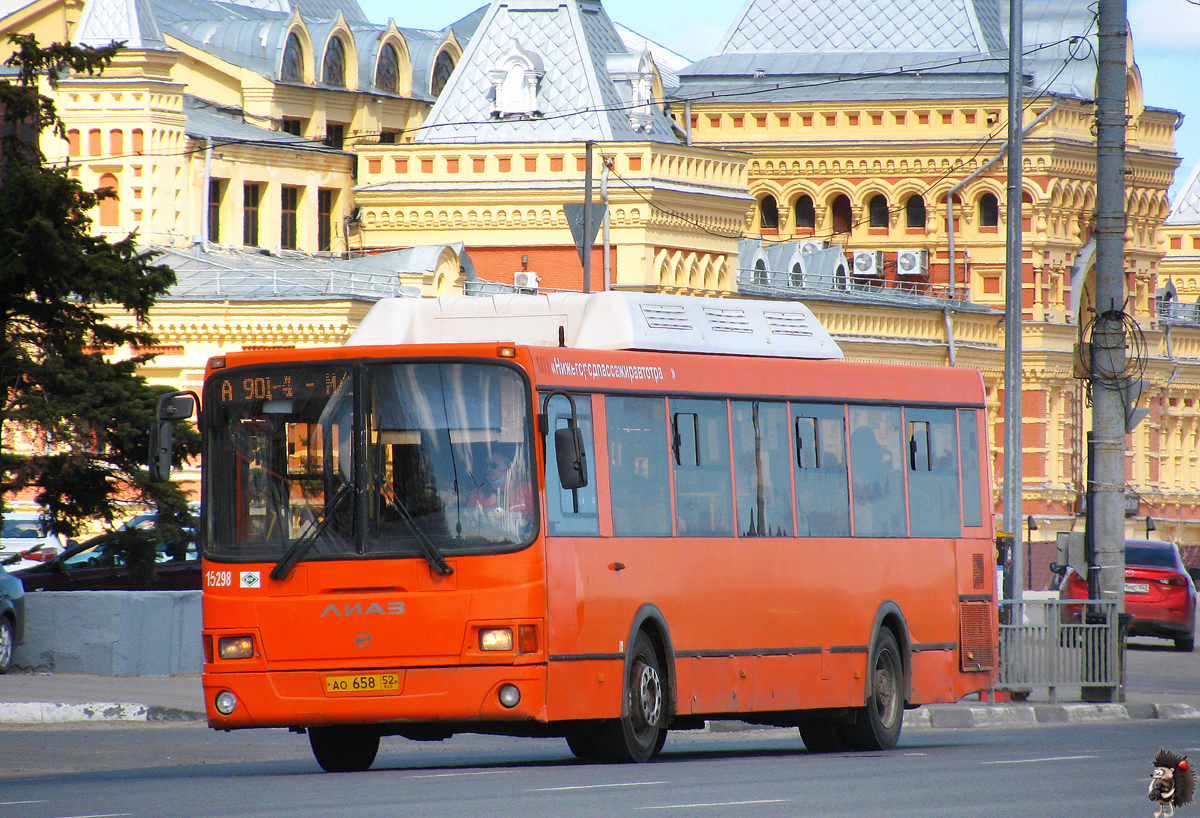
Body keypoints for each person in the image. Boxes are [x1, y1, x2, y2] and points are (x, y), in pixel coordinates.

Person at [467, 447, 533, 536]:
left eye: (493, 465)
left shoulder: (526, 489)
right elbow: (470, 522)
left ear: (508, 465)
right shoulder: (478, 493)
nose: (488, 470)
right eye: (486, 466)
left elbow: (536, 521)